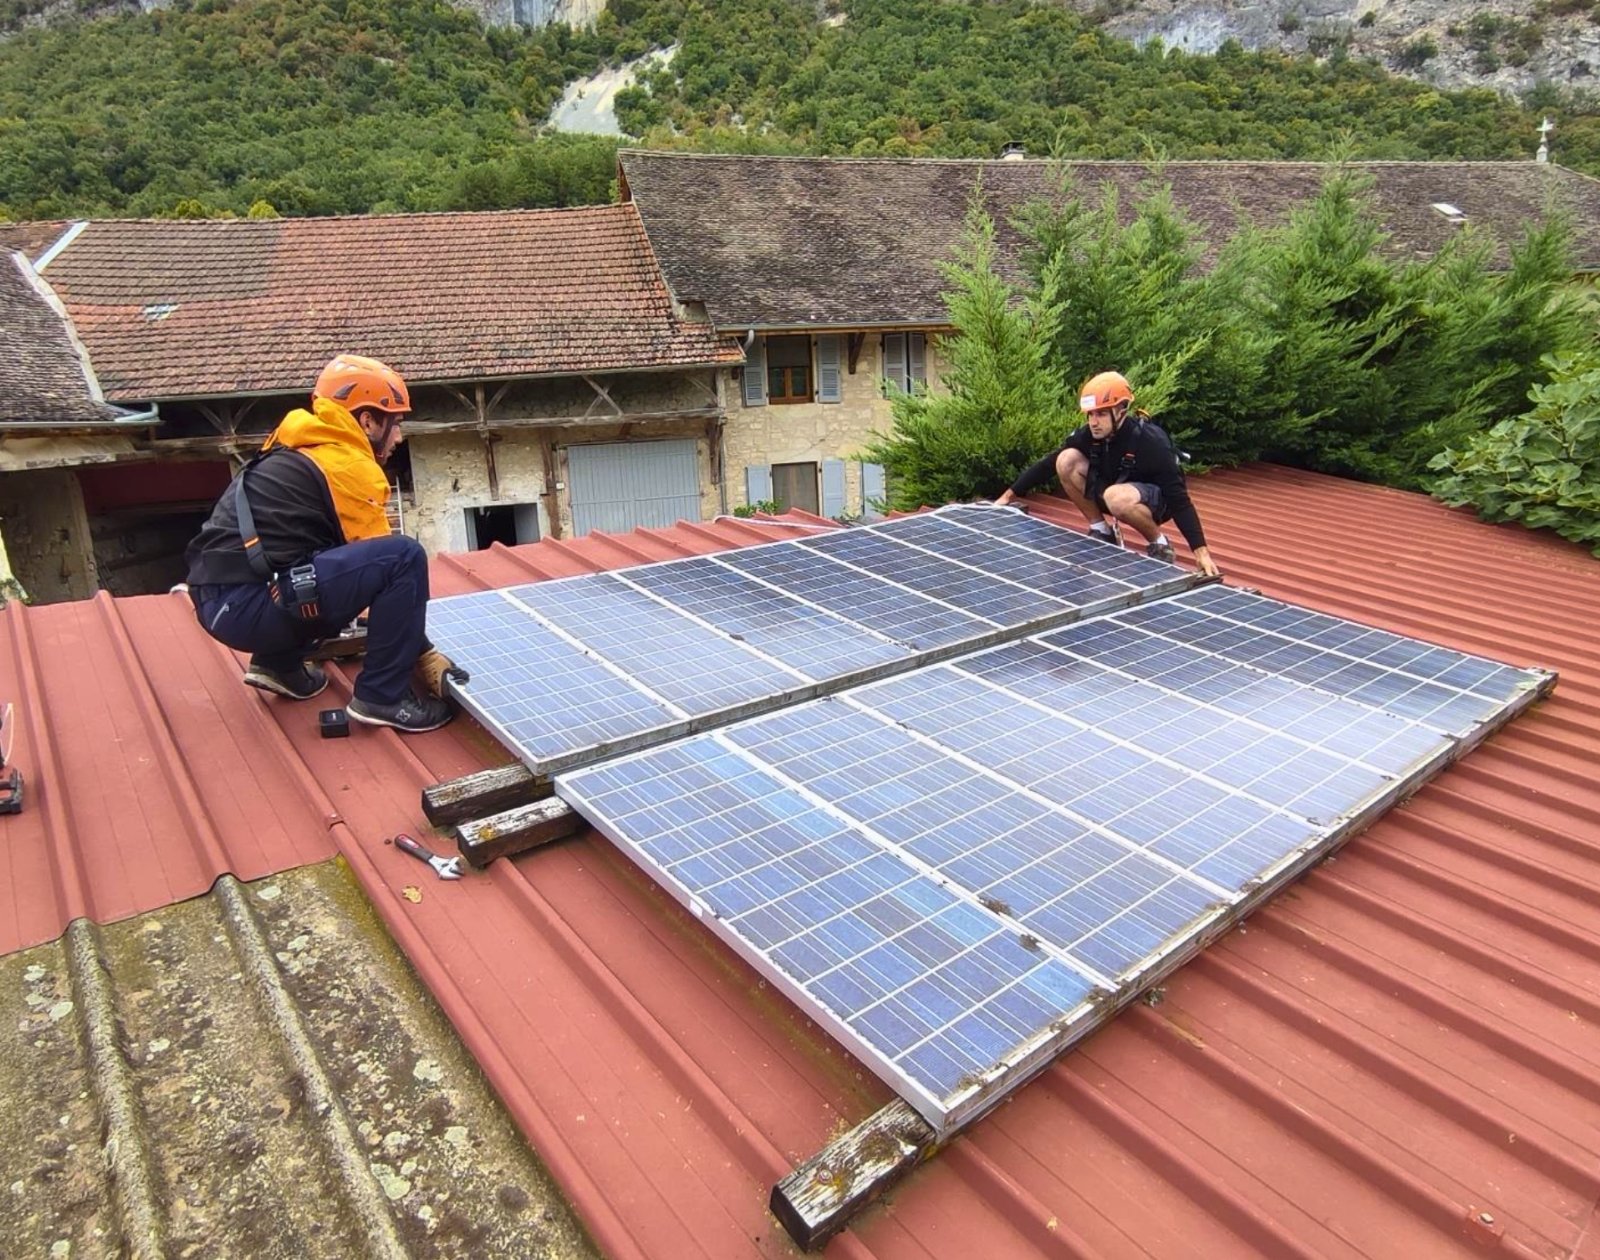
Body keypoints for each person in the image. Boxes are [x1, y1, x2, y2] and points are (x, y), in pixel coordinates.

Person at [184, 354, 456, 732]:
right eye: (395, 424)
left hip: (218, 601)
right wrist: (423, 653)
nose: (399, 437)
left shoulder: (299, 443)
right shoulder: (347, 466)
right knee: (404, 556)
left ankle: (278, 665)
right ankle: (383, 697)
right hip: (246, 606)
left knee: (327, 564)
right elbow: (386, 574)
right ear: (368, 421)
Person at [994, 370, 1220, 578]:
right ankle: (1101, 530)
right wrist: (1007, 496)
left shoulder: (1151, 442)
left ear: (1121, 411)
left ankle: (1159, 543)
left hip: (1155, 500)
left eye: (1101, 414)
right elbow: (1049, 463)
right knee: (1066, 460)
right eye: (1090, 415)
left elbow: (1179, 500)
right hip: (1115, 492)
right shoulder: (1091, 435)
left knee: (1116, 496)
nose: (1093, 422)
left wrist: (1200, 552)